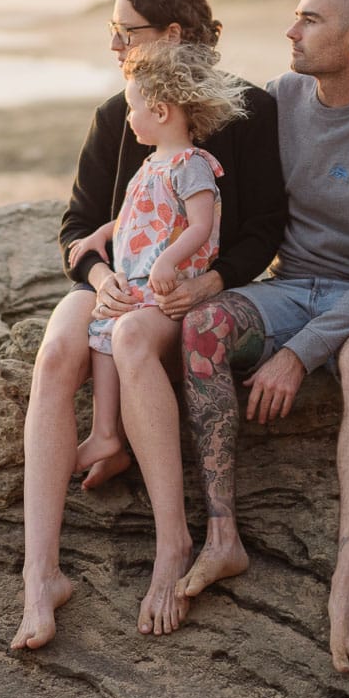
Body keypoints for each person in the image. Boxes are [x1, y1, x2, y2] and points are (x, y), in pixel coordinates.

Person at [10, 0, 286, 651]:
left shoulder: (248, 111)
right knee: (58, 345)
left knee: (132, 335)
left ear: (172, 34)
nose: (113, 44)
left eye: (124, 31)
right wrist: (98, 275)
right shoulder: (118, 115)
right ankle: (40, 576)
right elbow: (77, 225)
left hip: (184, 292)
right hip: (122, 282)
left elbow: (264, 229)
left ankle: (173, 544)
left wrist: (212, 281)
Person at [175, 0, 349, 677]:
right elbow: (175, 137)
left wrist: (298, 352)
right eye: (294, 18)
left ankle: (347, 581)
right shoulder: (281, 98)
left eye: (308, 20)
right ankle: (223, 534)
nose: (291, 32)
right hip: (292, 284)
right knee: (200, 330)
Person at [65, 41, 249, 473]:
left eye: (132, 108)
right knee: (102, 330)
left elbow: (201, 225)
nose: (127, 117)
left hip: (167, 282)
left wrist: (168, 261)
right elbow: (133, 217)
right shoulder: (150, 164)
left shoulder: (192, 164)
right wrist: (99, 234)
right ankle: (105, 433)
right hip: (137, 277)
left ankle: (110, 435)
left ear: (161, 112)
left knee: (117, 331)